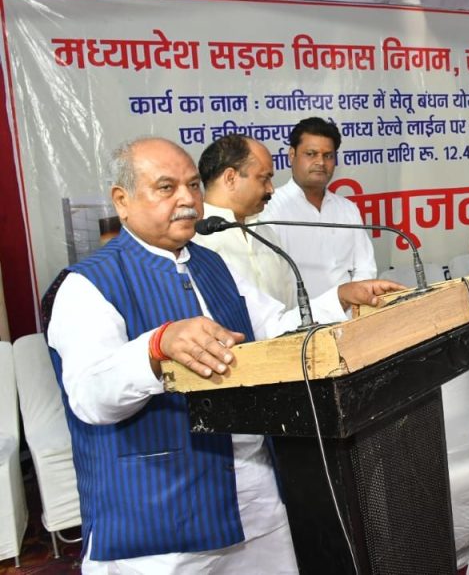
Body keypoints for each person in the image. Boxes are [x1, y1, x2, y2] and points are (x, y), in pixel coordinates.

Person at [44, 137, 401, 574]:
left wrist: (339, 299)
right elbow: (90, 397)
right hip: (160, 515)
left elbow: (273, 329)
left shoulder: (212, 263)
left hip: (253, 494)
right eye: (166, 187)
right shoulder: (88, 284)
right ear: (122, 200)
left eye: (193, 185)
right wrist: (156, 348)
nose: (186, 199)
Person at [262, 117, 377, 297]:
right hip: (298, 313)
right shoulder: (269, 208)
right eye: (311, 154)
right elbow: (268, 280)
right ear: (292, 155)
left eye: (328, 156)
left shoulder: (347, 209)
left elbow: (365, 267)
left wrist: (355, 302)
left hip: (349, 311)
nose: (321, 162)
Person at [193, 134, 295, 306]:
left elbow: (291, 305)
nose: (271, 189)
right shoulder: (193, 239)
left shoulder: (266, 234)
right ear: (230, 178)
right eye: (264, 178)